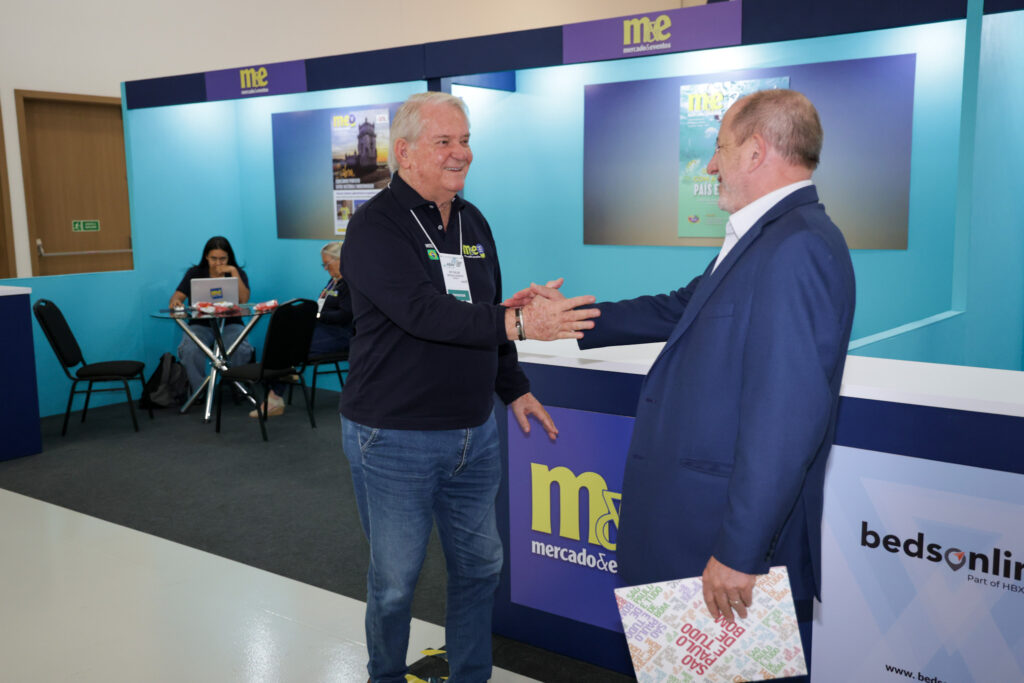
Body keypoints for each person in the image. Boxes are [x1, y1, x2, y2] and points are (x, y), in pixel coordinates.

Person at [512, 89, 855, 677]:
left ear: (755, 151)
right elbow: (679, 309)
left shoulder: (797, 248)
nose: (711, 165)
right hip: (693, 531)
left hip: (720, 542)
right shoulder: (767, 237)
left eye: (718, 149)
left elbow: (785, 421)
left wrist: (740, 553)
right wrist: (568, 320)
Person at [338, 92, 598, 683]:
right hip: (393, 437)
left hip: (473, 436)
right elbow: (424, 313)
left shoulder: (474, 221)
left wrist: (514, 387)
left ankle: (471, 676)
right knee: (395, 583)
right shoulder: (375, 227)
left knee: (480, 567)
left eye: (465, 140)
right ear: (404, 153)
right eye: (445, 142)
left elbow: (485, 315)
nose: (462, 154)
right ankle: (383, 675)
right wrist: (520, 322)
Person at [252, 241, 353, 418]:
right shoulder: (333, 282)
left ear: (341, 260)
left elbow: (345, 315)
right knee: (281, 340)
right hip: (323, 329)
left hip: (342, 334)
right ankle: (280, 385)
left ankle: (276, 394)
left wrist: (317, 316)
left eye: (327, 264)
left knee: (292, 347)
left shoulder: (350, 283)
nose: (325, 268)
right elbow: (322, 306)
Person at [168, 236, 254, 396]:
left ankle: (237, 386)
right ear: (206, 256)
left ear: (229, 258)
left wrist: (234, 272)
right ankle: (200, 391)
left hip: (231, 323)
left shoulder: (236, 272)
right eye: (214, 258)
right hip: (201, 324)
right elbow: (177, 297)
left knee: (241, 349)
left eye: (223, 259)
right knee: (190, 350)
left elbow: (244, 300)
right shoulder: (195, 273)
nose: (218, 263)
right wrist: (176, 302)